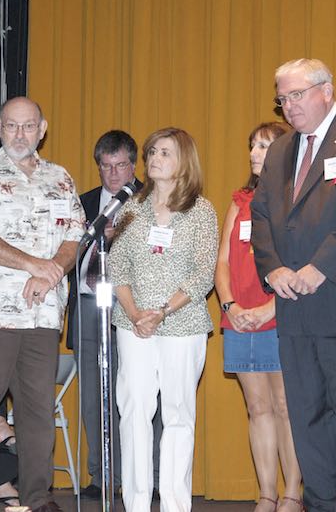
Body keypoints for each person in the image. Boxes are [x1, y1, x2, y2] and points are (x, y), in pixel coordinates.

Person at [0, 96, 85, 512]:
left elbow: (75, 236)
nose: (20, 134)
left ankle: (38, 497)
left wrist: (51, 272)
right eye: (12, 125)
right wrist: (35, 264)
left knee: (37, 413)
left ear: (42, 129)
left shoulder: (60, 177)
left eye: (28, 126)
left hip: (45, 312)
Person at [109, 127, 217, 512]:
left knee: (177, 414)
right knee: (135, 410)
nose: (154, 158)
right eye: (152, 152)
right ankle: (136, 503)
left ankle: (174, 503)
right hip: (133, 323)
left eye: (165, 153)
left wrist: (163, 310)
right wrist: (137, 314)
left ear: (183, 161)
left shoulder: (201, 210)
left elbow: (204, 273)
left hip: (182, 323)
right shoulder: (130, 208)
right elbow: (116, 267)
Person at [251, 58, 336, 512]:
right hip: (294, 306)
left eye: (297, 94)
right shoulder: (283, 150)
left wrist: (321, 265)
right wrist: (274, 270)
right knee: (305, 416)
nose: (289, 106)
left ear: (325, 90)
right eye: (282, 98)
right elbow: (262, 215)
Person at [66, 130, 162, 500]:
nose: (114, 174)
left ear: (134, 165)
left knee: (140, 393)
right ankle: (102, 475)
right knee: (93, 396)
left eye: (121, 165)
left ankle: (149, 476)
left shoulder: (151, 200)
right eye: (106, 166)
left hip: (133, 307)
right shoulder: (84, 202)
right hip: (90, 303)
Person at [215, 122, 302, 512]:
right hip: (238, 318)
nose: (253, 153)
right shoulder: (239, 200)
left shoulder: (297, 199)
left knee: (286, 406)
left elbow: (301, 265)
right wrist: (231, 306)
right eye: (252, 145)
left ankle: (293, 495)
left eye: (264, 146)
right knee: (258, 408)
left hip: (280, 315)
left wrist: (271, 308)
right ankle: (267, 494)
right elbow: (221, 262)